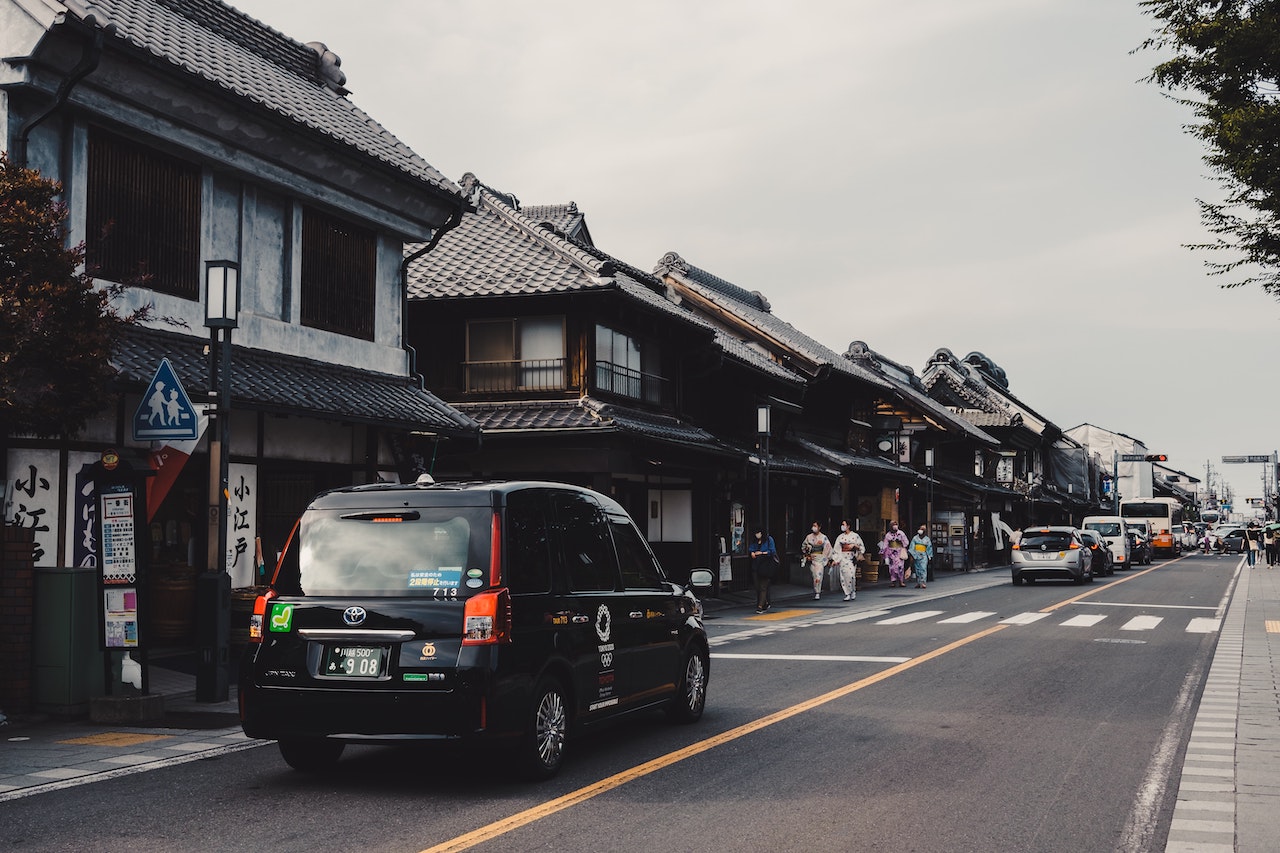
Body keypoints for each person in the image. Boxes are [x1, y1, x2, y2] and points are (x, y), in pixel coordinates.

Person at [831, 520, 865, 602]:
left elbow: (861, 547)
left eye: (843, 524)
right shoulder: (840, 537)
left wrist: (854, 546)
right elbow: (836, 549)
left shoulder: (855, 536)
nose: (842, 526)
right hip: (843, 558)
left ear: (848, 526)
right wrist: (836, 559)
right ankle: (847, 593)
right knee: (843, 577)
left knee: (851, 576)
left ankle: (853, 591)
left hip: (851, 558)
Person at [748, 528, 778, 613]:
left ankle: (760, 606)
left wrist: (761, 553)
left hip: (766, 564)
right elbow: (751, 548)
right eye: (756, 533)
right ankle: (765, 602)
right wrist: (752, 553)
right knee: (757, 586)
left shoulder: (769, 539)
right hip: (756, 564)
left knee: (763, 586)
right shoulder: (754, 540)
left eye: (759, 533)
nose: (757, 534)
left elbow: (772, 551)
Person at [802, 521, 832, 600]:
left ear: (819, 527)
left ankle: (817, 592)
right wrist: (807, 553)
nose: (814, 527)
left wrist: (827, 558)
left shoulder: (823, 537)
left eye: (815, 526)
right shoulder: (809, 537)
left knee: (818, 575)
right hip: (812, 558)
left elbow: (828, 547)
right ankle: (816, 591)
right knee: (814, 576)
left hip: (820, 558)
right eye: (813, 526)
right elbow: (803, 547)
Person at [879, 521, 910, 587]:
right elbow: (885, 544)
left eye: (896, 524)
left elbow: (906, 542)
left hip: (899, 552)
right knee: (892, 568)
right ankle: (893, 581)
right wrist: (883, 552)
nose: (895, 526)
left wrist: (901, 542)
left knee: (900, 567)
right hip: (891, 553)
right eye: (893, 525)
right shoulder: (888, 535)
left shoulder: (901, 533)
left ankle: (901, 581)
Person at [909, 524, 934, 589]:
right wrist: (912, 554)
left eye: (923, 529)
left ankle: (923, 582)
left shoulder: (927, 539)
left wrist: (929, 556)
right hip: (916, 554)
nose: (921, 530)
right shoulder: (915, 538)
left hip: (923, 555)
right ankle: (918, 582)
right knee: (917, 569)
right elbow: (912, 547)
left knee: (923, 568)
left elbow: (929, 548)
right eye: (921, 529)